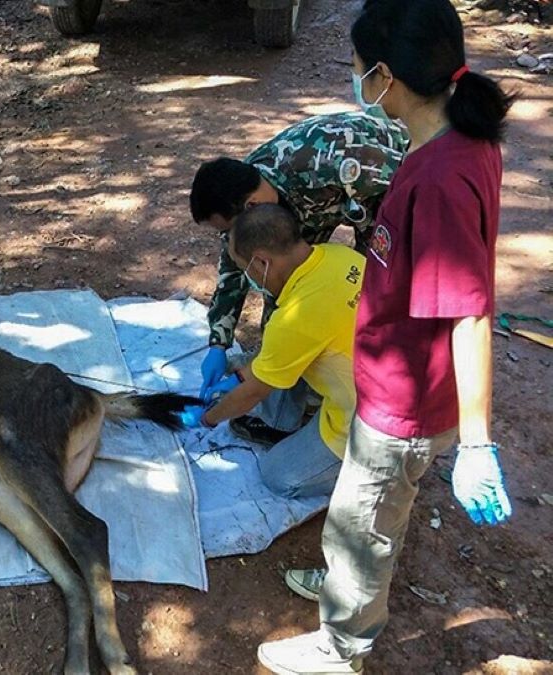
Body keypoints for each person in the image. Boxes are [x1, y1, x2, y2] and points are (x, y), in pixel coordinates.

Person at [257, 1, 514, 673]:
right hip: (397, 382)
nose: (353, 80)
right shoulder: (462, 133)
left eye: (355, 69)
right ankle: (348, 589)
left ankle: (342, 643)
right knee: (365, 515)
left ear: (384, 76)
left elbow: (470, 312)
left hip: (405, 404)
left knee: (364, 517)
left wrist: (478, 441)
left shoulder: (439, 179)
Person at [189, 111, 408, 445]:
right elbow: (235, 270)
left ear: (250, 209)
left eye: (227, 229)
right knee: (287, 313)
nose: (228, 236)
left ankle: (379, 398)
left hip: (382, 189)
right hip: (330, 206)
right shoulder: (242, 192)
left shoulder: (326, 165)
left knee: (372, 294)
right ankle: (285, 414)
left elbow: (411, 184)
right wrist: (219, 342)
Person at [178, 204, 361, 504]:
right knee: (276, 361)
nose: (249, 279)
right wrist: (237, 374)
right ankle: (285, 421)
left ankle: (370, 471)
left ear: (262, 262)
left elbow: (253, 393)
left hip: (371, 421)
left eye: (245, 269)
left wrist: (209, 418)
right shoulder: (339, 256)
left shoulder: (295, 318)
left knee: (277, 475)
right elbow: (276, 358)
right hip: (384, 378)